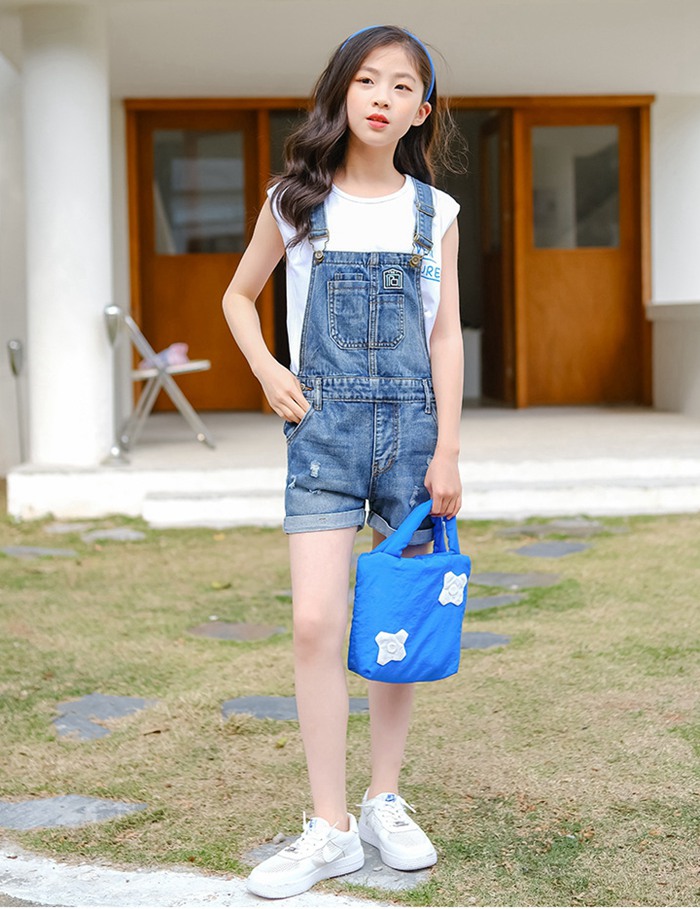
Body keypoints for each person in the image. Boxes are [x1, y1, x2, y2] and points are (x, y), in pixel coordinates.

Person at [222, 24, 463, 900]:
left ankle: (382, 800)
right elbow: (238, 295)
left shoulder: (436, 213)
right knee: (316, 623)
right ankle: (329, 827)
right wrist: (267, 368)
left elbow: (445, 336)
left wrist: (448, 448)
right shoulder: (294, 199)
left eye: (402, 86)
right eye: (367, 80)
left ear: (421, 111)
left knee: (397, 624)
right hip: (321, 431)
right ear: (341, 91)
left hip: (415, 440)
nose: (382, 98)